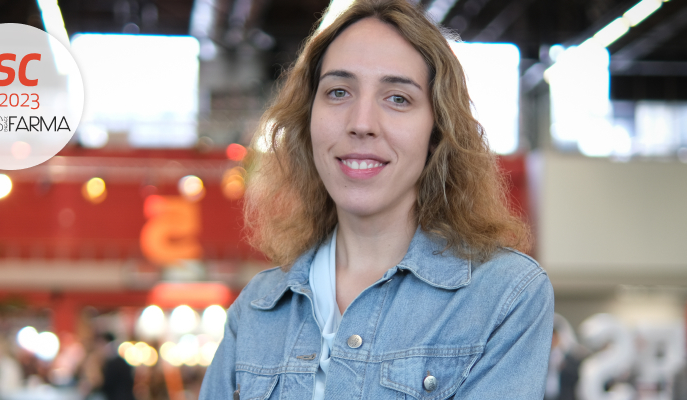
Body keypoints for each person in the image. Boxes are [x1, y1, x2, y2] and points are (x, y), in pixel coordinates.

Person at [200, 0, 554, 398]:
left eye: (398, 98)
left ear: (437, 130)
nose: (362, 123)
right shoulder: (256, 309)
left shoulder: (504, 296)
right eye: (338, 92)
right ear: (307, 119)